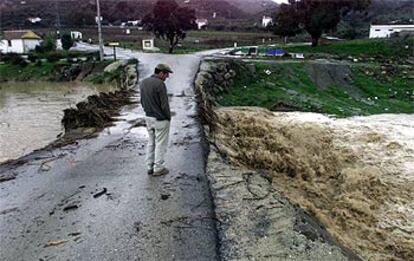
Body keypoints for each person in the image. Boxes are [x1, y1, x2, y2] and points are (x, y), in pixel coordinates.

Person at [140, 64, 173, 176]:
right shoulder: (160, 84)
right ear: (161, 72)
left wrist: (147, 111)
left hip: (148, 117)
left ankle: (150, 166)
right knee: (160, 144)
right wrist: (168, 117)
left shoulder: (144, 82)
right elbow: (164, 105)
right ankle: (158, 168)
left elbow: (142, 101)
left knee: (151, 142)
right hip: (160, 119)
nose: (167, 77)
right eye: (166, 74)